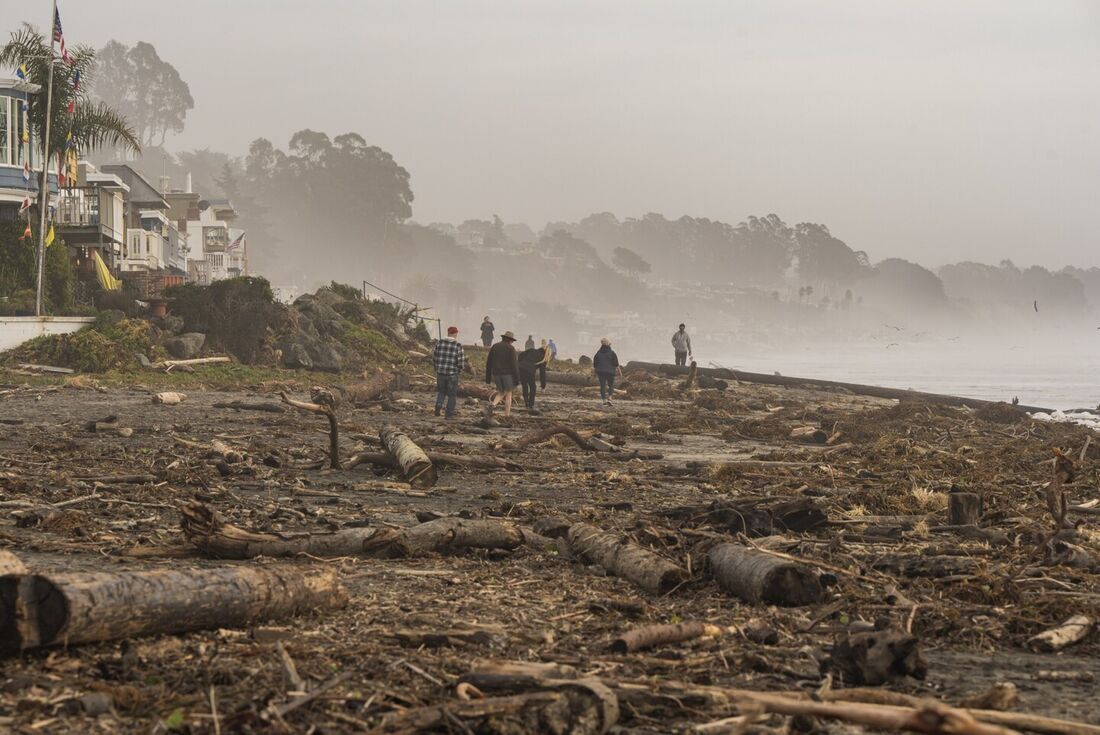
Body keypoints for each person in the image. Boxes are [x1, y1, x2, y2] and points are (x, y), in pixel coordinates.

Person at [431, 326, 470, 418]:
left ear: (448, 333)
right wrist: (459, 369)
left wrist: (437, 367)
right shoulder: (458, 345)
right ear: (455, 334)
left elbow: (434, 357)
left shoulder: (439, 343)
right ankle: (448, 415)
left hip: (440, 373)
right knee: (452, 395)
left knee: (441, 392)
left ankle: (438, 405)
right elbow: (460, 361)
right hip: (452, 374)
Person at [485, 330, 520, 416]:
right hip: (507, 375)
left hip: (496, 374)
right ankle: (507, 415)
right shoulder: (511, 349)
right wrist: (517, 379)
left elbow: (489, 363)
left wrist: (488, 378)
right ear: (510, 340)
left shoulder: (495, 347)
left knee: (501, 392)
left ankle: (493, 405)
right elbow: (514, 365)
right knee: (508, 394)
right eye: (512, 341)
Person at [518, 343, 550, 412]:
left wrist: (520, 363)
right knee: (532, 387)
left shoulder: (531, 350)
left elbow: (520, 355)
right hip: (530, 370)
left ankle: (526, 401)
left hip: (520, 368)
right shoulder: (543, 358)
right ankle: (531, 404)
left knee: (524, 385)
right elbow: (542, 373)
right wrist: (543, 386)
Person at [593, 337, 622, 406]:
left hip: (601, 372)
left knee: (602, 386)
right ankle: (610, 398)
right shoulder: (612, 353)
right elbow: (616, 363)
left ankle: (604, 400)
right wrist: (620, 372)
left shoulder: (598, 353)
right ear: (609, 345)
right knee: (611, 385)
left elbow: (595, 364)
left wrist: (595, 371)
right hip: (610, 372)